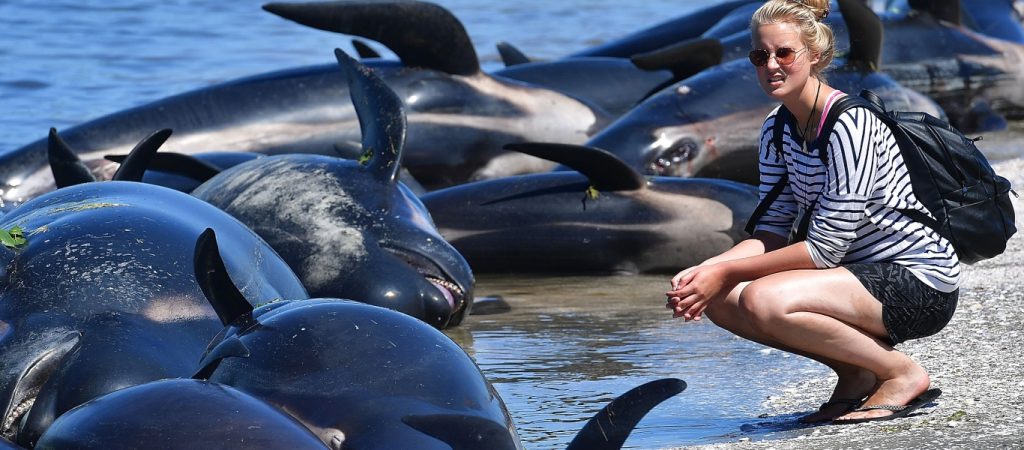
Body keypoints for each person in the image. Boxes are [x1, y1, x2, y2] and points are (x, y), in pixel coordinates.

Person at [665, 0, 960, 424]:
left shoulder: (849, 124)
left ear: (815, 56)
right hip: (854, 279)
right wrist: (706, 271)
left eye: (784, 53)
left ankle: (901, 373)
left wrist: (727, 273)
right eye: (759, 56)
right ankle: (855, 372)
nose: (771, 65)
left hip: (917, 281)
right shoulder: (777, 128)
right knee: (721, 301)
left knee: (763, 299)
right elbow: (770, 231)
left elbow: (823, 249)